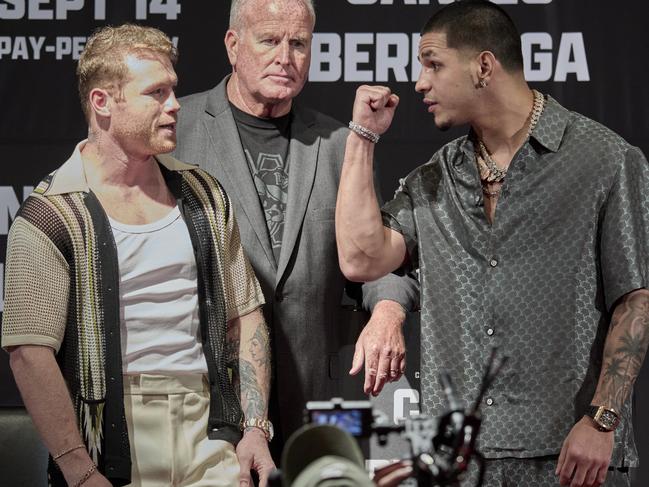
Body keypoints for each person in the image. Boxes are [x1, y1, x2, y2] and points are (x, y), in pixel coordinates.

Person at [335, 1, 649, 486]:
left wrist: (602, 419)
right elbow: (361, 258)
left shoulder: (605, 161)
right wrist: (362, 137)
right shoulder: (435, 179)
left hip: (572, 456)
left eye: (433, 64)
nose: (420, 82)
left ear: (484, 66)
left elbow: (635, 298)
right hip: (462, 462)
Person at [2, 24, 274, 487]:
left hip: (209, 429)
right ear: (103, 103)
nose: (174, 106)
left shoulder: (202, 194)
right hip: (109, 439)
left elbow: (244, 315)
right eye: (156, 93)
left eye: (174, 90)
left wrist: (255, 429)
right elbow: (30, 354)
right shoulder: (51, 215)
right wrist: (79, 470)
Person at [174, 0, 419, 456]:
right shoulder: (175, 130)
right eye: (269, 40)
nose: (285, 57)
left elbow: (373, 253)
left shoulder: (340, 142)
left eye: (298, 43)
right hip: (209, 404)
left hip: (314, 400)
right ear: (233, 45)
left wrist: (388, 310)